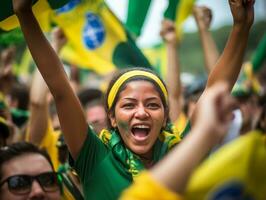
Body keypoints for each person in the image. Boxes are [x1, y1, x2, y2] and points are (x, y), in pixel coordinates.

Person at [13, 0, 254, 199]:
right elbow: (61, 90)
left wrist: (241, 26)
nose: (141, 113)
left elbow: (215, 89)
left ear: (166, 115)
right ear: (112, 118)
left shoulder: (183, 151)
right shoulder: (94, 157)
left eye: (152, 105)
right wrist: (24, 14)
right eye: (129, 105)